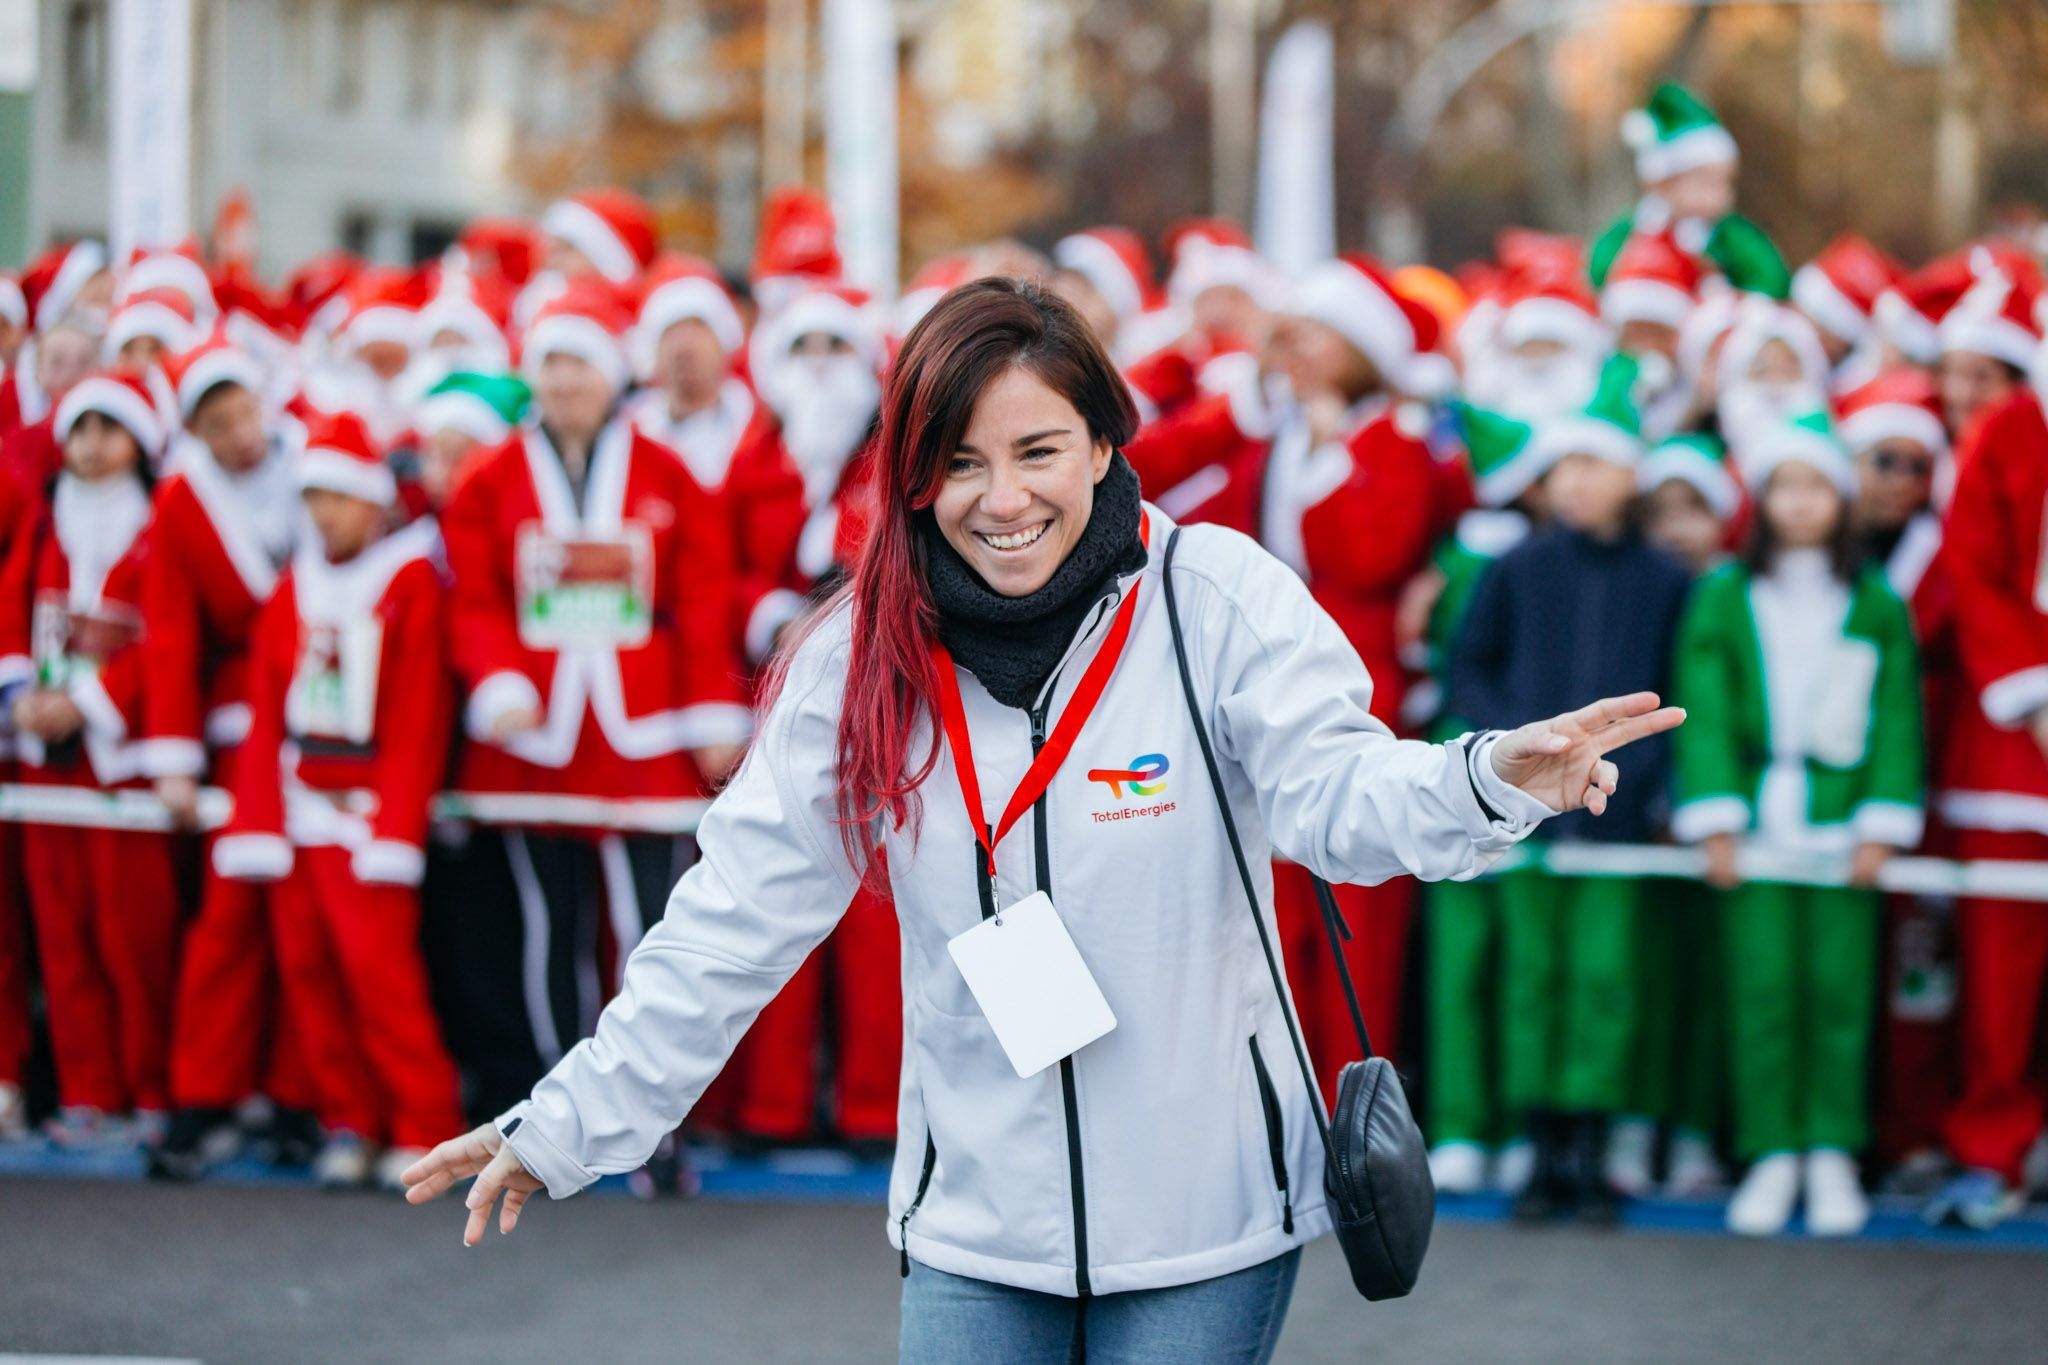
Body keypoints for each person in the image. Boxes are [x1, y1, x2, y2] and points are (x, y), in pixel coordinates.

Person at [402, 278, 1680, 1361]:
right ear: (909, 476)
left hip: (1206, 1224)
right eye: (956, 462)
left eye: (1035, 452)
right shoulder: (859, 661)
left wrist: (1487, 776)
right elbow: (729, 923)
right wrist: (567, 1122)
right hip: (972, 1227)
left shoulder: (1212, 595)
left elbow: (1338, 796)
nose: (999, 499)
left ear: (1104, 445)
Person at [439, 278, 748, 1136]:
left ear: (613, 374)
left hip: (643, 736)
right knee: (551, 928)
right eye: (553, 365)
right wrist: (497, 679)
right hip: (534, 737)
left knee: (654, 931)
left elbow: (702, 595)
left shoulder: (667, 472)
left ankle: (654, 1117)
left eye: (581, 363)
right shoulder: (489, 478)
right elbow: (474, 600)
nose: (567, 383)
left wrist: (714, 714)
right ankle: (558, 1114)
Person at [1448, 353, 1695, 1222]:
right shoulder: (1518, 567)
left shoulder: (1668, 580)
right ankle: (1540, 1144)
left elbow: (1680, 691)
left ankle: (1591, 1145)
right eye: (1560, 470)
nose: (1573, 484)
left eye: (1591, 465)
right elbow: (1469, 667)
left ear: (1632, 474)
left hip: (1617, 815)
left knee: (1604, 975)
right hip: (1527, 814)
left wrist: (1645, 778)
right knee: (1531, 975)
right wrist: (1511, 754)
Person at [1672, 412, 1924, 1236]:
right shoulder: (1724, 594)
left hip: (1845, 822)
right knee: (1763, 989)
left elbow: (1896, 713)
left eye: (1818, 485)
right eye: (1787, 484)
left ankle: (1831, 1148)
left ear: (1841, 499)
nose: (1803, 501)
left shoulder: (1875, 599)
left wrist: (1882, 819)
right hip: (1754, 819)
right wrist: (1713, 815)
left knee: (1839, 991)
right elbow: (1701, 711)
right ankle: (1773, 1147)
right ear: (1764, 497)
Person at [210, 410, 467, 1191]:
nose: (325, 512)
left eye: (340, 496)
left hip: (364, 822)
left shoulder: (410, 579)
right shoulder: (295, 585)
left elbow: (421, 714)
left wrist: (395, 826)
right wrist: (258, 817)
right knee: (310, 977)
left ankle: (424, 1124)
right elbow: (266, 706)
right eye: (314, 495)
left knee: (381, 980)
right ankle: (348, 1119)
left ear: (375, 501)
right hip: (298, 814)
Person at [146, 336, 321, 1180]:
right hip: (237, 733)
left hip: (329, 723)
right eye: (217, 422)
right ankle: (204, 1095)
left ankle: (300, 1097)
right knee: (229, 922)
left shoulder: (319, 460)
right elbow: (172, 633)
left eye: (242, 411)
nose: (238, 433)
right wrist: (174, 758)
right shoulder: (184, 502)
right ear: (196, 431)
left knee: (313, 918)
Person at [0, 370, 181, 1147]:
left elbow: (165, 639)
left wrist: (94, 700)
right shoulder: (46, 521)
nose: (92, 446)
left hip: (122, 755)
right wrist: (19, 700)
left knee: (130, 933)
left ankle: (147, 1091)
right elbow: (12, 612)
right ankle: (87, 1091)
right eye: (81, 429)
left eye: (110, 429)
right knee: (61, 927)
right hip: (48, 756)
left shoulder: (158, 524)